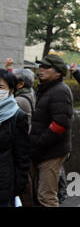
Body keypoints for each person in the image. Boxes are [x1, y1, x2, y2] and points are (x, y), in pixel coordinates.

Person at [30, 54, 72, 207]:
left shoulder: (60, 90)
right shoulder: (46, 88)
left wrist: (39, 143)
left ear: (58, 72)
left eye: (46, 67)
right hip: (42, 151)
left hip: (51, 153)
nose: (41, 69)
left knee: (47, 197)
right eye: (40, 66)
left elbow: (60, 124)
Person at [0, 69, 30, 207]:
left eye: (0, 87)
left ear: (11, 90)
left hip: (4, 185)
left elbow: (22, 156)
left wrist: (17, 188)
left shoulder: (17, 117)